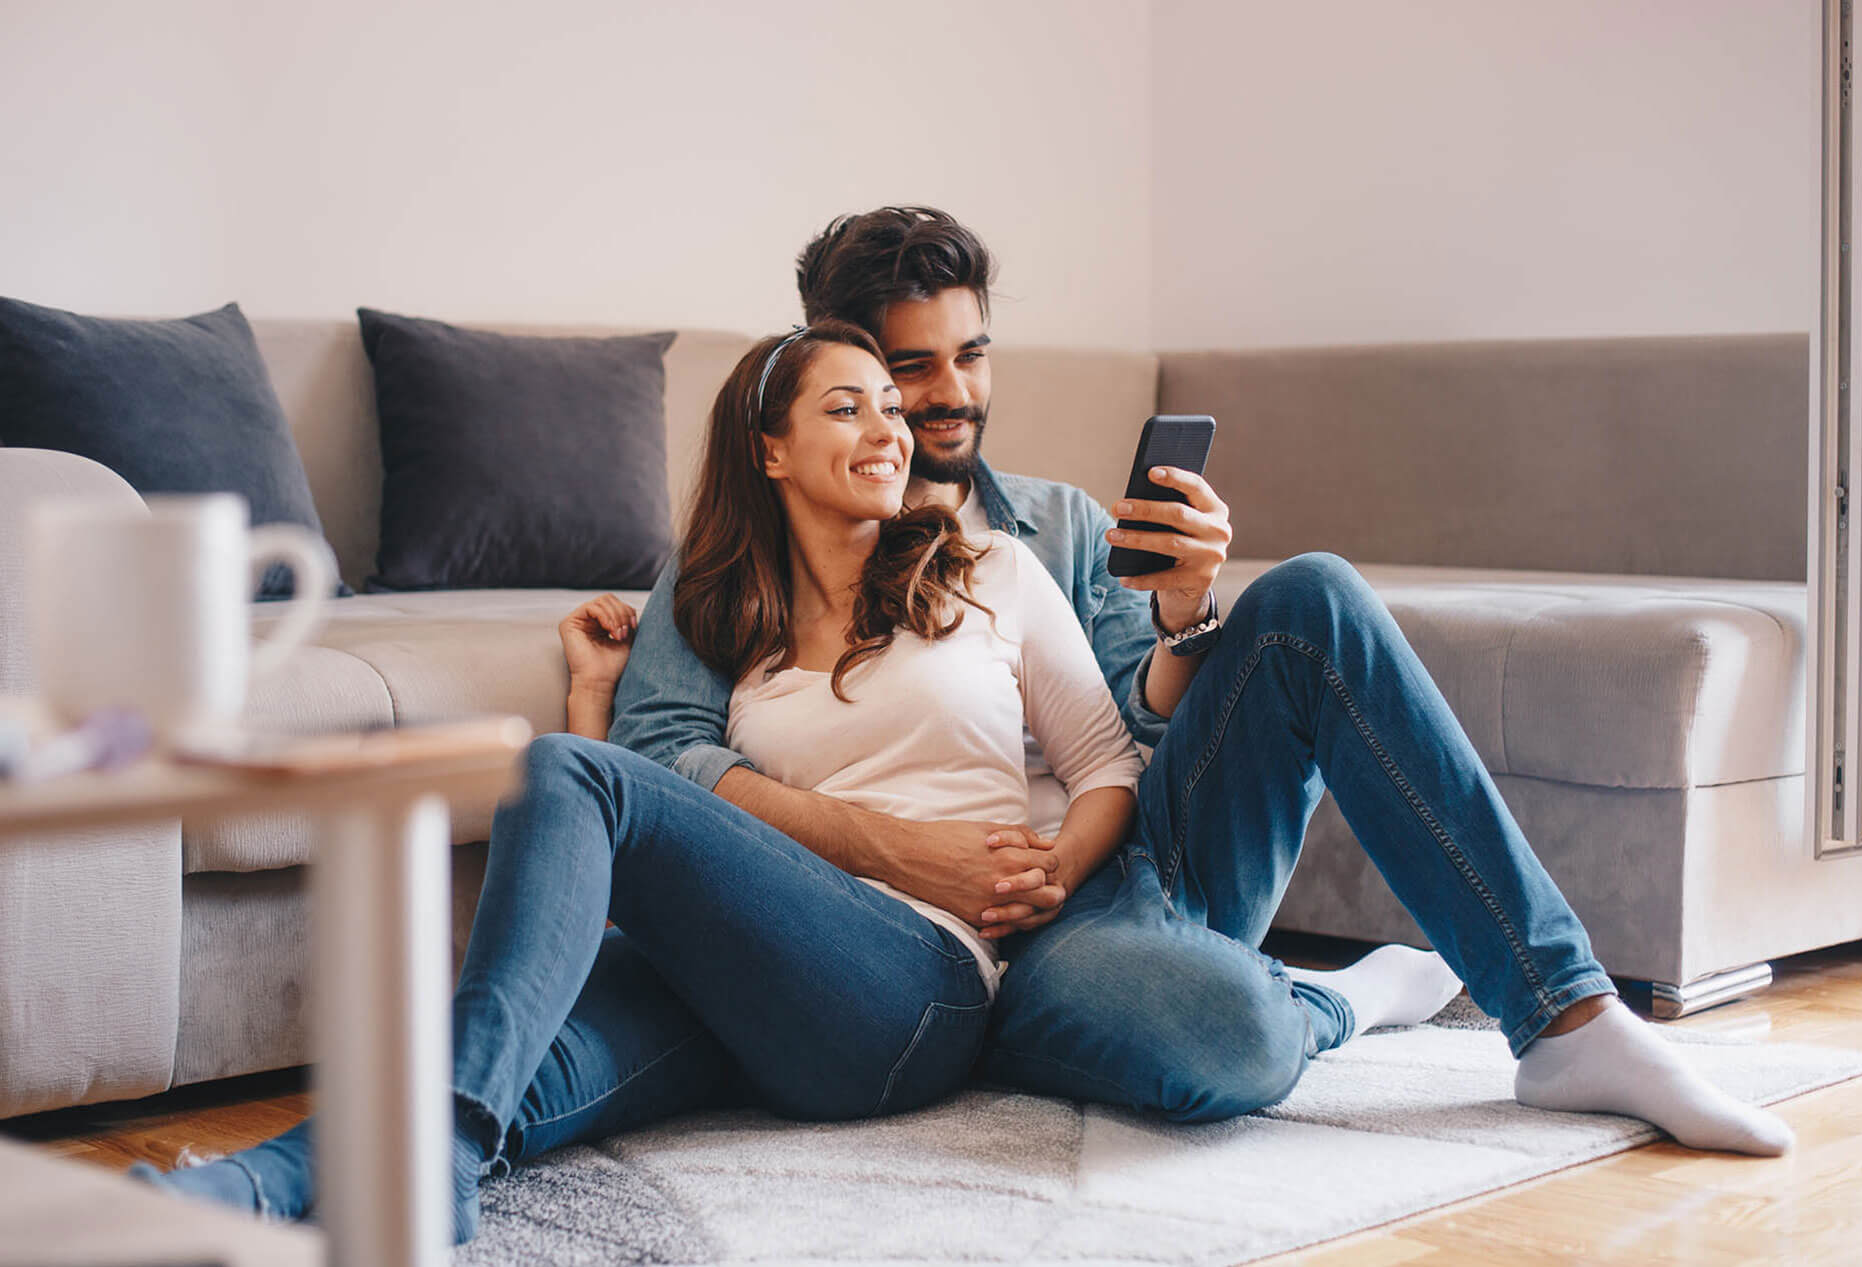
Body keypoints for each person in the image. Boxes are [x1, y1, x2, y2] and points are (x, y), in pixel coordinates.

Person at [619, 206, 1794, 1155]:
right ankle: (1323, 999)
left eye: (970, 354)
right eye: (907, 366)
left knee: (1311, 596)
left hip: (1121, 869)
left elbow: (1129, 727)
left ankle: (1569, 1017)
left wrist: (1186, 616)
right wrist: (897, 850)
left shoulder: (1062, 531)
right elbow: (658, 750)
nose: (949, 393)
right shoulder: (743, 556)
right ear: (830, 370)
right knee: (1223, 1048)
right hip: (930, 940)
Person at [130, 320, 1150, 1243]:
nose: (888, 428)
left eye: (890, 407)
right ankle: (250, 1192)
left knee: (569, 774)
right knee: (502, 1060)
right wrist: (594, 697)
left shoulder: (991, 573)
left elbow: (1106, 761)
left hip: (911, 993)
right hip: (755, 988)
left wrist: (1056, 867)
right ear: (770, 450)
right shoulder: (735, 640)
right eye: (846, 408)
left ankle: (416, 1163)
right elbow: (675, 850)